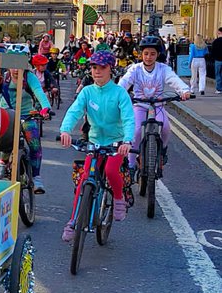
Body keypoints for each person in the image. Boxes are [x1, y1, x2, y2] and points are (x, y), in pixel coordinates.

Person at [59, 50, 134, 241]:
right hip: (94, 142)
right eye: (94, 67)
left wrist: (127, 141)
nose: (97, 71)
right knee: (84, 178)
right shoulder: (87, 92)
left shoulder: (120, 93)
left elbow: (128, 119)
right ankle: (73, 221)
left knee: (110, 170)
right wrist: (65, 131)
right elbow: (74, 111)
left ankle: (118, 199)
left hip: (116, 143)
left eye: (102, 67)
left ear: (111, 69)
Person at [118, 35, 191, 169]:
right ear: (141, 54)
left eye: (152, 54)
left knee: (165, 127)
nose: (149, 57)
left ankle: (162, 151)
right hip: (139, 105)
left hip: (157, 105)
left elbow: (174, 80)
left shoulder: (163, 69)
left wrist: (184, 91)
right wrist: (117, 93)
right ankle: (131, 163)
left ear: (158, 55)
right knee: (136, 131)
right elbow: (124, 82)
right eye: (146, 54)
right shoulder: (135, 69)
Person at [0, 64, 51, 193]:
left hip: (27, 115)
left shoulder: (29, 77)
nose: (15, 69)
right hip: (7, 114)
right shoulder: (4, 77)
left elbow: (39, 92)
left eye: (18, 66)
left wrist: (45, 107)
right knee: (6, 139)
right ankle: (2, 163)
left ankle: (36, 177)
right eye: (12, 65)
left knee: (35, 144)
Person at [210, 27, 222, 94]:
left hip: (218, 60)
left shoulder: (216, 41)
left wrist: (213, 57)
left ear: (219, 33)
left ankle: (219, 89)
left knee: (218, 75)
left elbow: (213, 51)